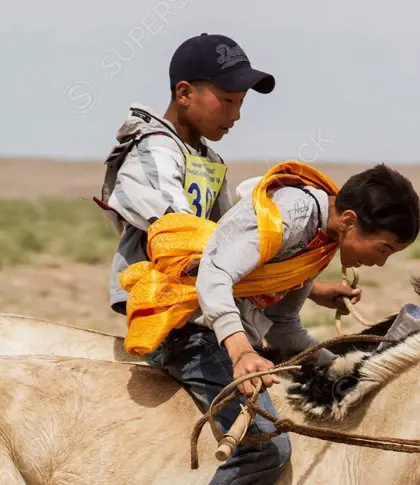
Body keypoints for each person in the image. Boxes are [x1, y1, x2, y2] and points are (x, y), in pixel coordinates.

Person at [125, 160, 420, 485]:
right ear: (350, 221)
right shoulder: (291, 216)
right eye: (381, 248)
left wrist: (345, 368)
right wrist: (242, 350)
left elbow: (283, 328)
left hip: (219, 333)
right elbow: (214, 277)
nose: (380, 261)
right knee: (267, 448)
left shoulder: (321, 242)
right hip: (189, 327)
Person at [99, 32, 361, 318]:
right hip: (160, 301)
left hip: (199, 294)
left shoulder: (208, 160)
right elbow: (182, 236)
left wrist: (310, 287)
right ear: (184, 94)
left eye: (241, 101)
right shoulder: (151, 152)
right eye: (227, 101)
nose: (236, 115)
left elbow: (229, 237)